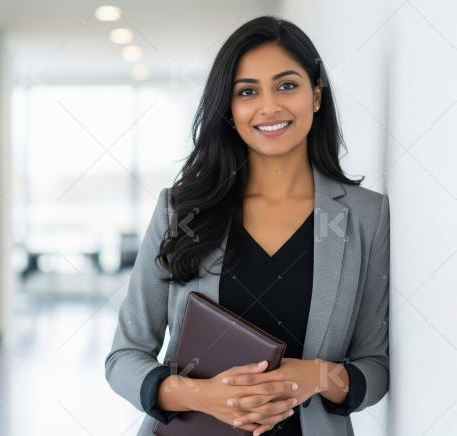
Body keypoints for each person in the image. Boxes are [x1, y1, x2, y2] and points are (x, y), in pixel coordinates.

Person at [105, 16, 389, 436]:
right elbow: (124, 357)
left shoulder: (367, 216)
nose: (269, 106)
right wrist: (201, 395)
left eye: (287, 85)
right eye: (248, 91)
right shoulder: (181, 210)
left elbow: (375, 367)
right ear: (229, 109)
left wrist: (316, 376)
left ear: (316, 94)